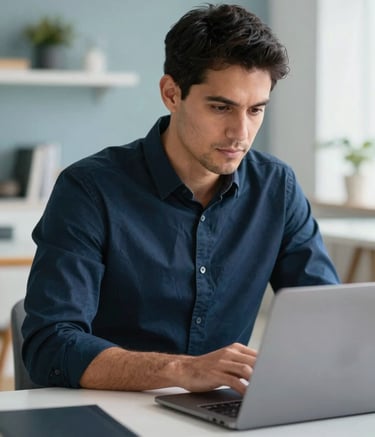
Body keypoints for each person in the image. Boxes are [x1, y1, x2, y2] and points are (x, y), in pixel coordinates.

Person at [22, 3, 339, 395]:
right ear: (171, 94)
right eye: (221, 107)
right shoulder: (89, 189)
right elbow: (49, 346)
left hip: (220, 412)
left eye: (256, 110)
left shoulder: (277, 188)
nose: (241, 132)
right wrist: (180, 370)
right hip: (107, 409)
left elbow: (327, 320)